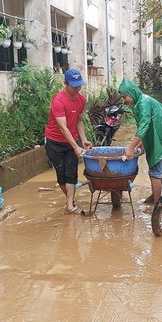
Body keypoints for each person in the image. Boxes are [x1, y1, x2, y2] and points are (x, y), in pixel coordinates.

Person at [118, 78, 162, 205]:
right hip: (161, 137)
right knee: (157, 170)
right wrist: (141, 142)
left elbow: (144, 125)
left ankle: (157, 204)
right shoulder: (140, 102)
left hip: (161, 139)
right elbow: (143, 127)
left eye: (124, 97)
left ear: (131, 93)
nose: (124, 101)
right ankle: (156, 196)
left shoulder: (144, 103)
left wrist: (130, 148)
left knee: (155, 172)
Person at [44, 68, 92, 214]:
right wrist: (76, 147)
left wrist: (83, 140)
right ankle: (70, 201)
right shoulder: (58, 100)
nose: (77, 88)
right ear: (65, 83)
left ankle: (70, 205)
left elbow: (78, 120)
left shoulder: (81, 100)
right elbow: (63, 127)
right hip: (54, 141)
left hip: (71, 141)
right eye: (74, 85)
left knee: (71, 173)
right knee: (61, 175)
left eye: (79, 85)